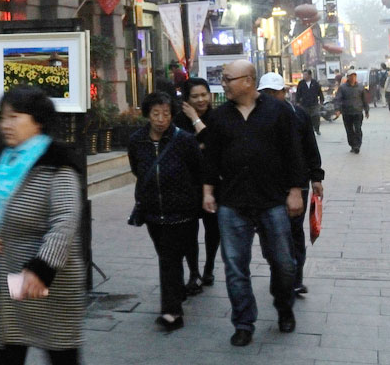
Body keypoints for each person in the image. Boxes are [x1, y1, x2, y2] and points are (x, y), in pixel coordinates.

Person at [0, 86, 85, 365]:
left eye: (14, 117)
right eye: (3, 117)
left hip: (46, 279)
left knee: (60, 352)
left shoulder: (57, 163)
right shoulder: (6, 160)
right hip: (10, 276)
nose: (5, 125)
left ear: (37, 121)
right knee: (9, 348)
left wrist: (42, 268)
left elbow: (65, 221)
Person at [202, 60, 307, 347]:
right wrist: (208, 191)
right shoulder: (220, 117)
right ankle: (243, 323)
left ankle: (284, 306)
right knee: (235, 267)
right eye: (223, 79)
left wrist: (295, 190)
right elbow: (211, 158)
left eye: (228, 79)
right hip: (232, 202)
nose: (223, 84)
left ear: (248, 80)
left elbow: (294, 152)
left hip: (272, 200)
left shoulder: (278, 111)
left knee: (284, 264)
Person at [127, 91, 203, 332]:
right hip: (152, 210)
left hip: (181, 210)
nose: (161, 119)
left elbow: (198, 171)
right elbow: (137, 169)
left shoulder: (184, 140)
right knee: (167, 256)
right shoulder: (137, 140)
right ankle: (176, 291)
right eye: (156, 114)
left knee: (169, 258)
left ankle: (172, 312)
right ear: (147, 115)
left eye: (166, 114)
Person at [257, 72, 325, 296]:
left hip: (297, 183)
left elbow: (310, 147)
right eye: (265, 93)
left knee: (294, 231)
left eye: (274, 93)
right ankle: (280, 271)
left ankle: (295, 278)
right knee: (270, 232)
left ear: (283, 93)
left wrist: (316, 177)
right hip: (268, 186)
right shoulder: (255, 117)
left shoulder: (299, 115)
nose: (270, 97)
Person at [174, 77, 220, 293]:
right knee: (188, 231)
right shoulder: (177, 121)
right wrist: (199, 146)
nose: (201, 99)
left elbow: (213, 144)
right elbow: (180, 150)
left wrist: (195, 119)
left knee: (213, 229)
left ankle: (209, 267)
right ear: (187, 99)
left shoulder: (218, 117)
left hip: (214, 183)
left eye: (204, 95)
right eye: (195, 96)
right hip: (187, 184)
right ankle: (194, 273)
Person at [334, 69, 369, 153]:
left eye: (354, 76)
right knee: (349, 130)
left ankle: (357, 145)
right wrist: (337, 109)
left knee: (358, 129)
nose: (353, 78)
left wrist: (366, 110)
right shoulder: (343, 88)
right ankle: (352, 145)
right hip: (347, 112)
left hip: (358, 111)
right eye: (351, 76)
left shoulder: (360, 87)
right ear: (348, 77)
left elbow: (364, 100)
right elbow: (338, 99)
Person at [295, 69, 324, 136]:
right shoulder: (301, 83)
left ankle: (317, 129)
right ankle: (307, 130)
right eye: (303, 74)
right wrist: (297, 102)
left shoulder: (315, 83)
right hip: (304, 104)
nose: (304, 76)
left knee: (316, 117)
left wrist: (321, 101)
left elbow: (320, 92)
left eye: (305, 74)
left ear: (310, 75)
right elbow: (298, 93)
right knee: (305, 117)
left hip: (314, 103)